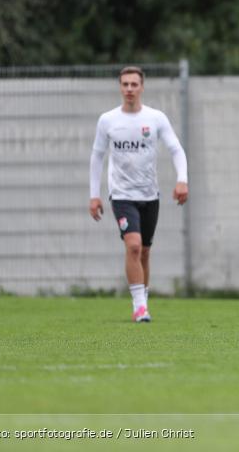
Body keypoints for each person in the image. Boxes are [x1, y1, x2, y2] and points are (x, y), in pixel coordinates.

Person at [89, 66, 189, 323]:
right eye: (125, 84)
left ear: (142, 87)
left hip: (149, 195)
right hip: (121, 195)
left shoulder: (155, 118)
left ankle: (143, 298)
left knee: (144, 251)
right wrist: (94, 195)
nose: (130, 89)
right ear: (120, 87)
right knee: (132, 246)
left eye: (134, 84)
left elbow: (176, 149)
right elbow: (97, 156)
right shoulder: (108, 120)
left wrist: (182, 181)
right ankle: (140, 306)